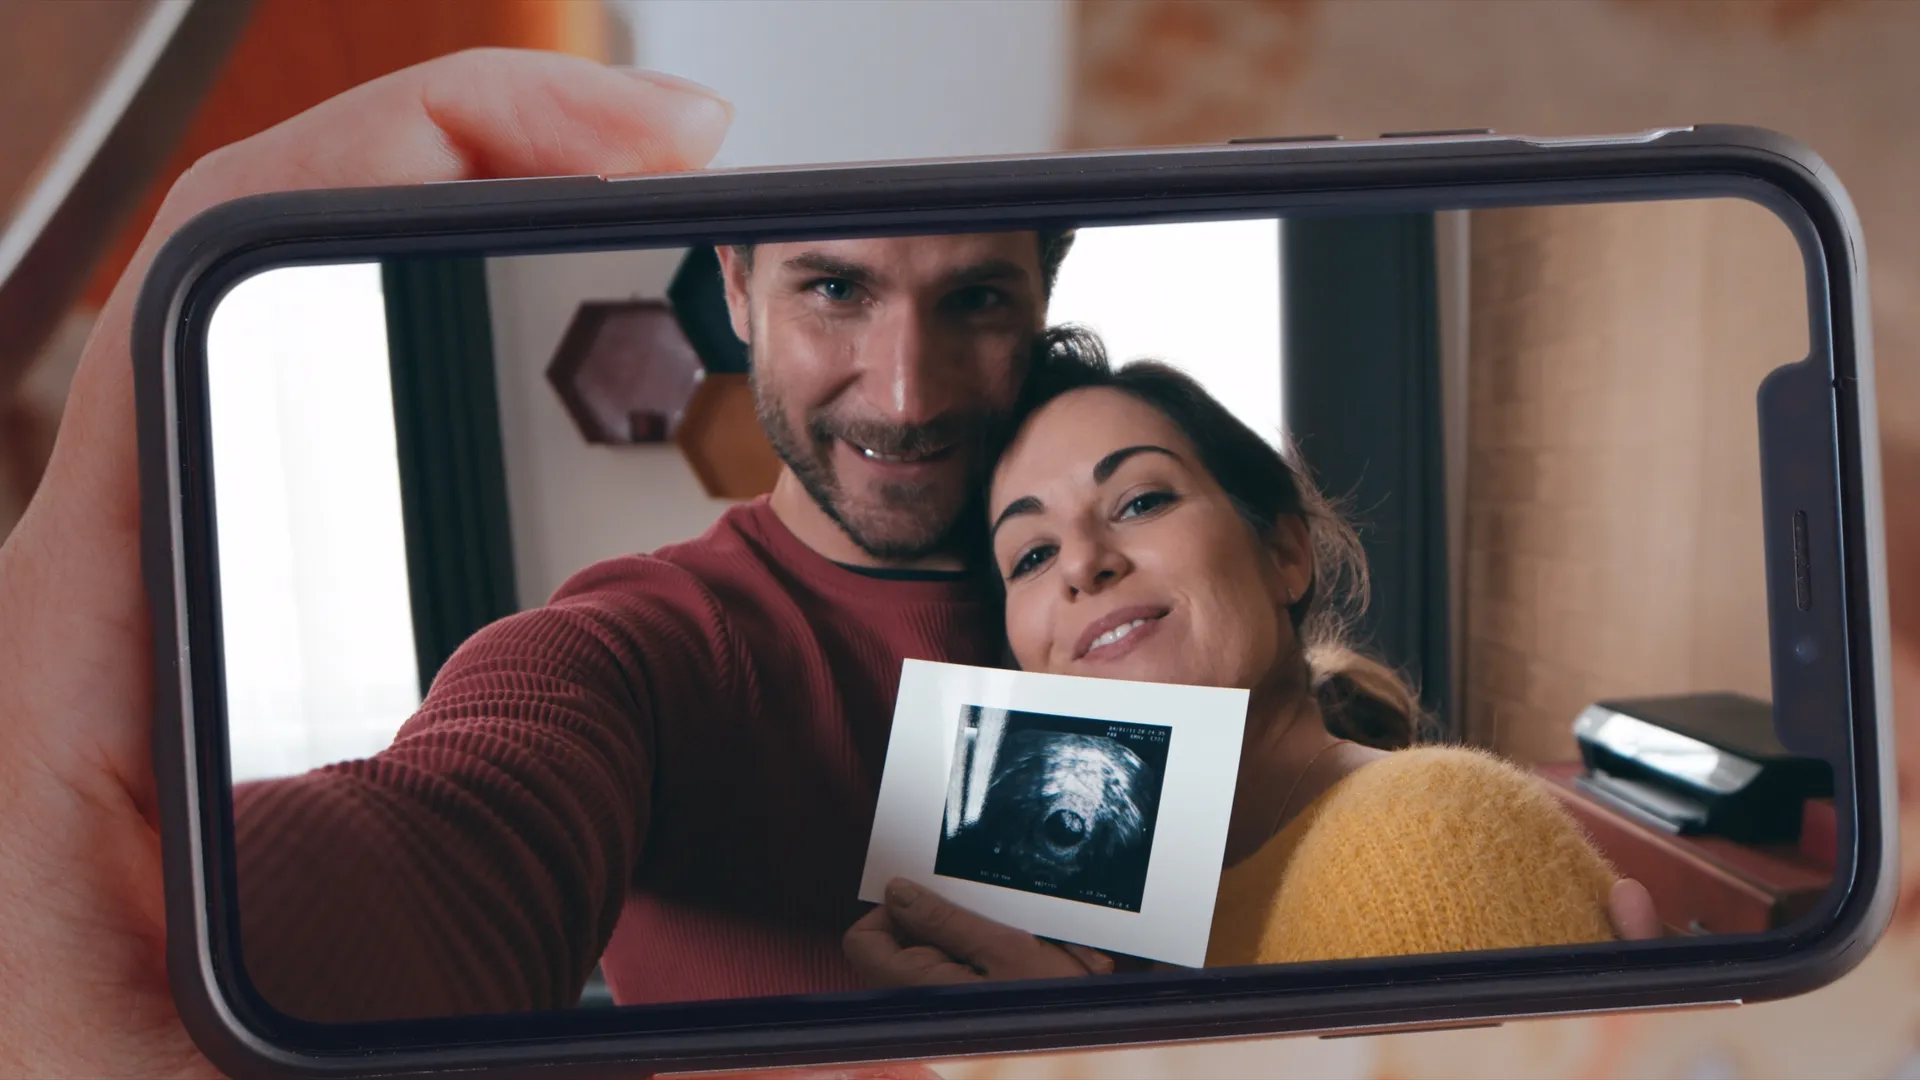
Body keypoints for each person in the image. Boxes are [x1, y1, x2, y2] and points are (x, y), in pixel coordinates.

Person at [0, 49, 1679, 1078]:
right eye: (832, 292)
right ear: (733, 290)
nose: (901, 392)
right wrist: (126, 958)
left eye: (973, 302)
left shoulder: (1168, 657)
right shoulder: (642, 648)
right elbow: (464, 819)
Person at [844, 328, 1624, 985]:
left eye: (1142, 501)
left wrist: (1078, 1060)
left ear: (1284, 552)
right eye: (1032, 555)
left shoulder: (1432, 832)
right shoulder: (1091, 934)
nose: (1083, 562)